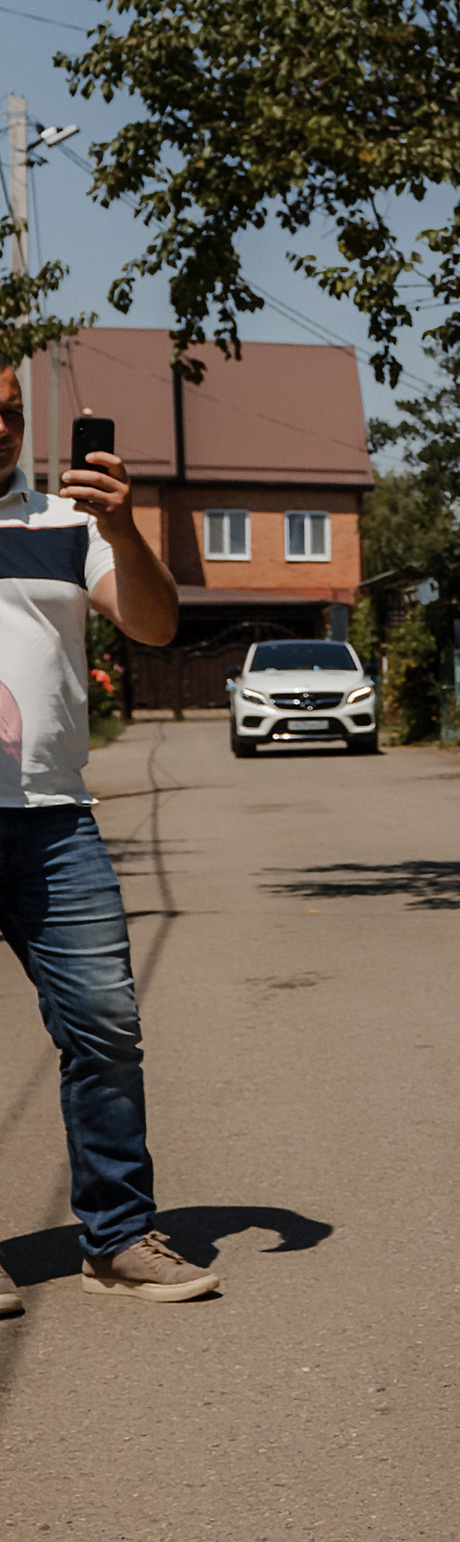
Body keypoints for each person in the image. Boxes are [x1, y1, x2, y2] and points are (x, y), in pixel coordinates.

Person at [0, 358, 217, 1312]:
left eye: (6, 414)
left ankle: (118, 1237)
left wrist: (123, 526)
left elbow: (157, 627)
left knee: (105, 1026)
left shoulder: (68, 524)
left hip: (53, 824)